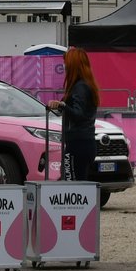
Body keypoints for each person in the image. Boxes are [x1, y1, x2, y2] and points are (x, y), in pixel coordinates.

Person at [48, 47, 100, 182]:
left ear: (73, 65)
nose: (64, 67)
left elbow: (79, 115)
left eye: (66, 63)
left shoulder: (79, 87)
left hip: (77, 144)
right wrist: (62, 106)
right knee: (78, 183)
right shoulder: (86, 85)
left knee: (72, 185)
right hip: (85, 142)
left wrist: (63, 106)